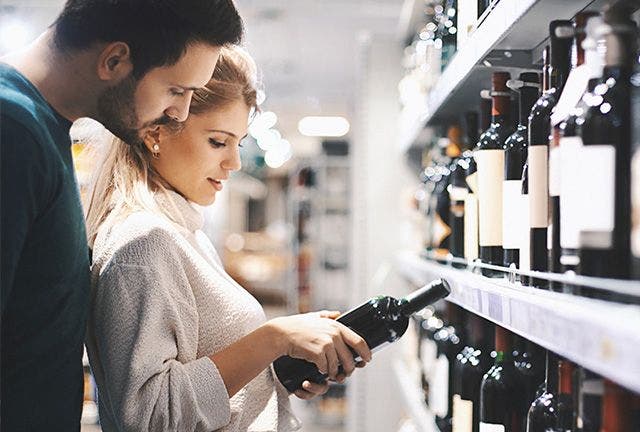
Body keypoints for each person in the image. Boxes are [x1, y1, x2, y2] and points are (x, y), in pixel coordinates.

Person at [84, 47, 371, 432]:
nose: (234, 163)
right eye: (218, 142)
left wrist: (275, 371)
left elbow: (204, 375)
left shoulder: (185, 233)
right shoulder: (143, 244)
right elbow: (150, 417)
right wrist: (272, 338)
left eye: (238, 142)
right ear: (155, 133)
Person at [0, 1, 242, 430]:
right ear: (115, 60)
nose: (179, 114)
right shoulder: (13, 130)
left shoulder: (39, 130)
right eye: (177, 90)